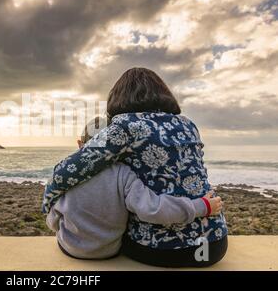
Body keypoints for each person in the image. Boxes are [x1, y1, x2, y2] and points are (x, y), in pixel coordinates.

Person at [43, 68, 228, 267]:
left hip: (163, 250)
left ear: (118, 97)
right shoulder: (188, 124)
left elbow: (68, 170)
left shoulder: (124, 125)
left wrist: (48, 203)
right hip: (214, 245)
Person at [46, 117, 223, 260]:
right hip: (109, 251)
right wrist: (202, 206)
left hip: (71, 248)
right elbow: (153, 208)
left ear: (80, 144)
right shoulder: (123, 174)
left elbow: (53, 217)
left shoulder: (67, 173)